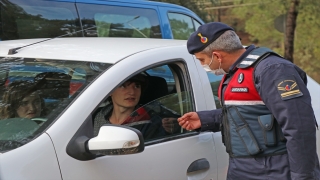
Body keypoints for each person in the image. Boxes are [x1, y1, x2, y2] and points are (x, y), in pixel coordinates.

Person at [178, 22, 320, 180]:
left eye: (202, 60)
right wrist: (205, 119)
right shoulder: (235, 71)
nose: (202, 65)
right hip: (242, 168)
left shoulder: (272, 70)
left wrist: (304, 177)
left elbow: (299, 128)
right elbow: (248, 114)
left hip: (275, 171)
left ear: (217, 56)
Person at [93, 74, 179, 140]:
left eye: (137, 86)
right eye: (123, 86)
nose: (132, 92)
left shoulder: (151, 122)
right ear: (110, 92)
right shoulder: (99, 115)